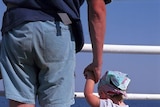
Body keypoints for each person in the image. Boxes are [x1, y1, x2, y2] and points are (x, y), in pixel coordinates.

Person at [0, 0, 111, 107]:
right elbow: (97, 8)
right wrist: (97, 62)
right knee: (57, 103)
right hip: (57, 28)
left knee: (22, 101)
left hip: (16, 27)